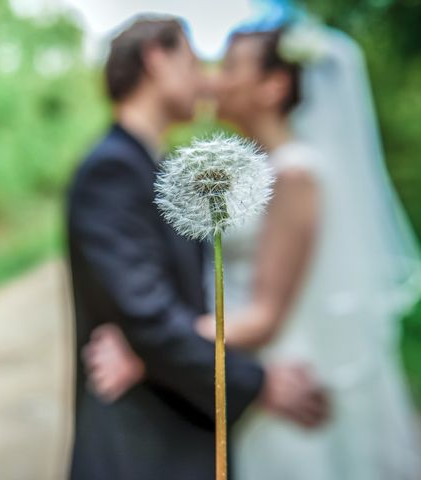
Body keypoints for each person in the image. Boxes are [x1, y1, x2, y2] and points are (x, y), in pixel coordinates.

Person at [84, 22, 421, 480]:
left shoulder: (295, 174)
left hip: (281, 370)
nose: (212, 79)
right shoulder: (253, 173)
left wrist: (146, 353)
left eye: (229, 66)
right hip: (246, 371)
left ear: (273, 86)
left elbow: (265, 314)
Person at [67, 16, 328, 480]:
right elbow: (147, 316)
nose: (205, 79)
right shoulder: (111, 171)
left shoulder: (157, 168)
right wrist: (260, 382)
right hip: (139, 442)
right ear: (156, 60)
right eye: (191, 62)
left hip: (183, 422)